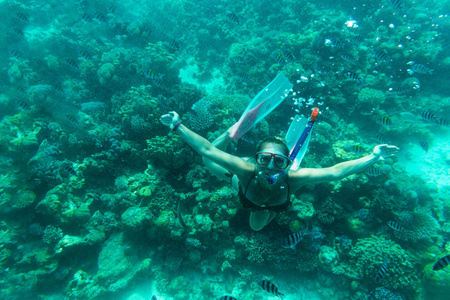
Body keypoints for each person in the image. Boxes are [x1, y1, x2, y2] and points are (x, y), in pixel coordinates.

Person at [160, 111, 399, 231]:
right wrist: (177, 125)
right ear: (256, 160)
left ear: (287, 164)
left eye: (279, 162)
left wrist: (373, 156)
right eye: (264, 160)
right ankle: (230, 133)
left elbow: (336, 171)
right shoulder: (246, 169)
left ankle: (272, 203)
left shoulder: (294, 177)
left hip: (268, 201)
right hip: (240, 183)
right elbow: (208, 149)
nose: (270, 168)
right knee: (207, 161)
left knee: (256, 226)